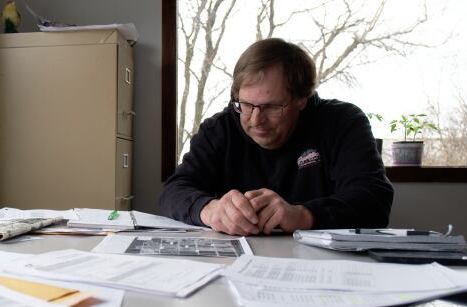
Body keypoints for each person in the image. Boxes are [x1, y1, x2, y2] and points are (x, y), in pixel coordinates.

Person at [160, 38, 393, 236]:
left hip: (324, 267)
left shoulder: (343, 122)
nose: (255, 120)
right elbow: (174, 190)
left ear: (302, 98)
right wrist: (210, 210)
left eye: (271, 107)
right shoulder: (219, 129)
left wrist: (302, 215)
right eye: (246, 105)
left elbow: (374, 200)